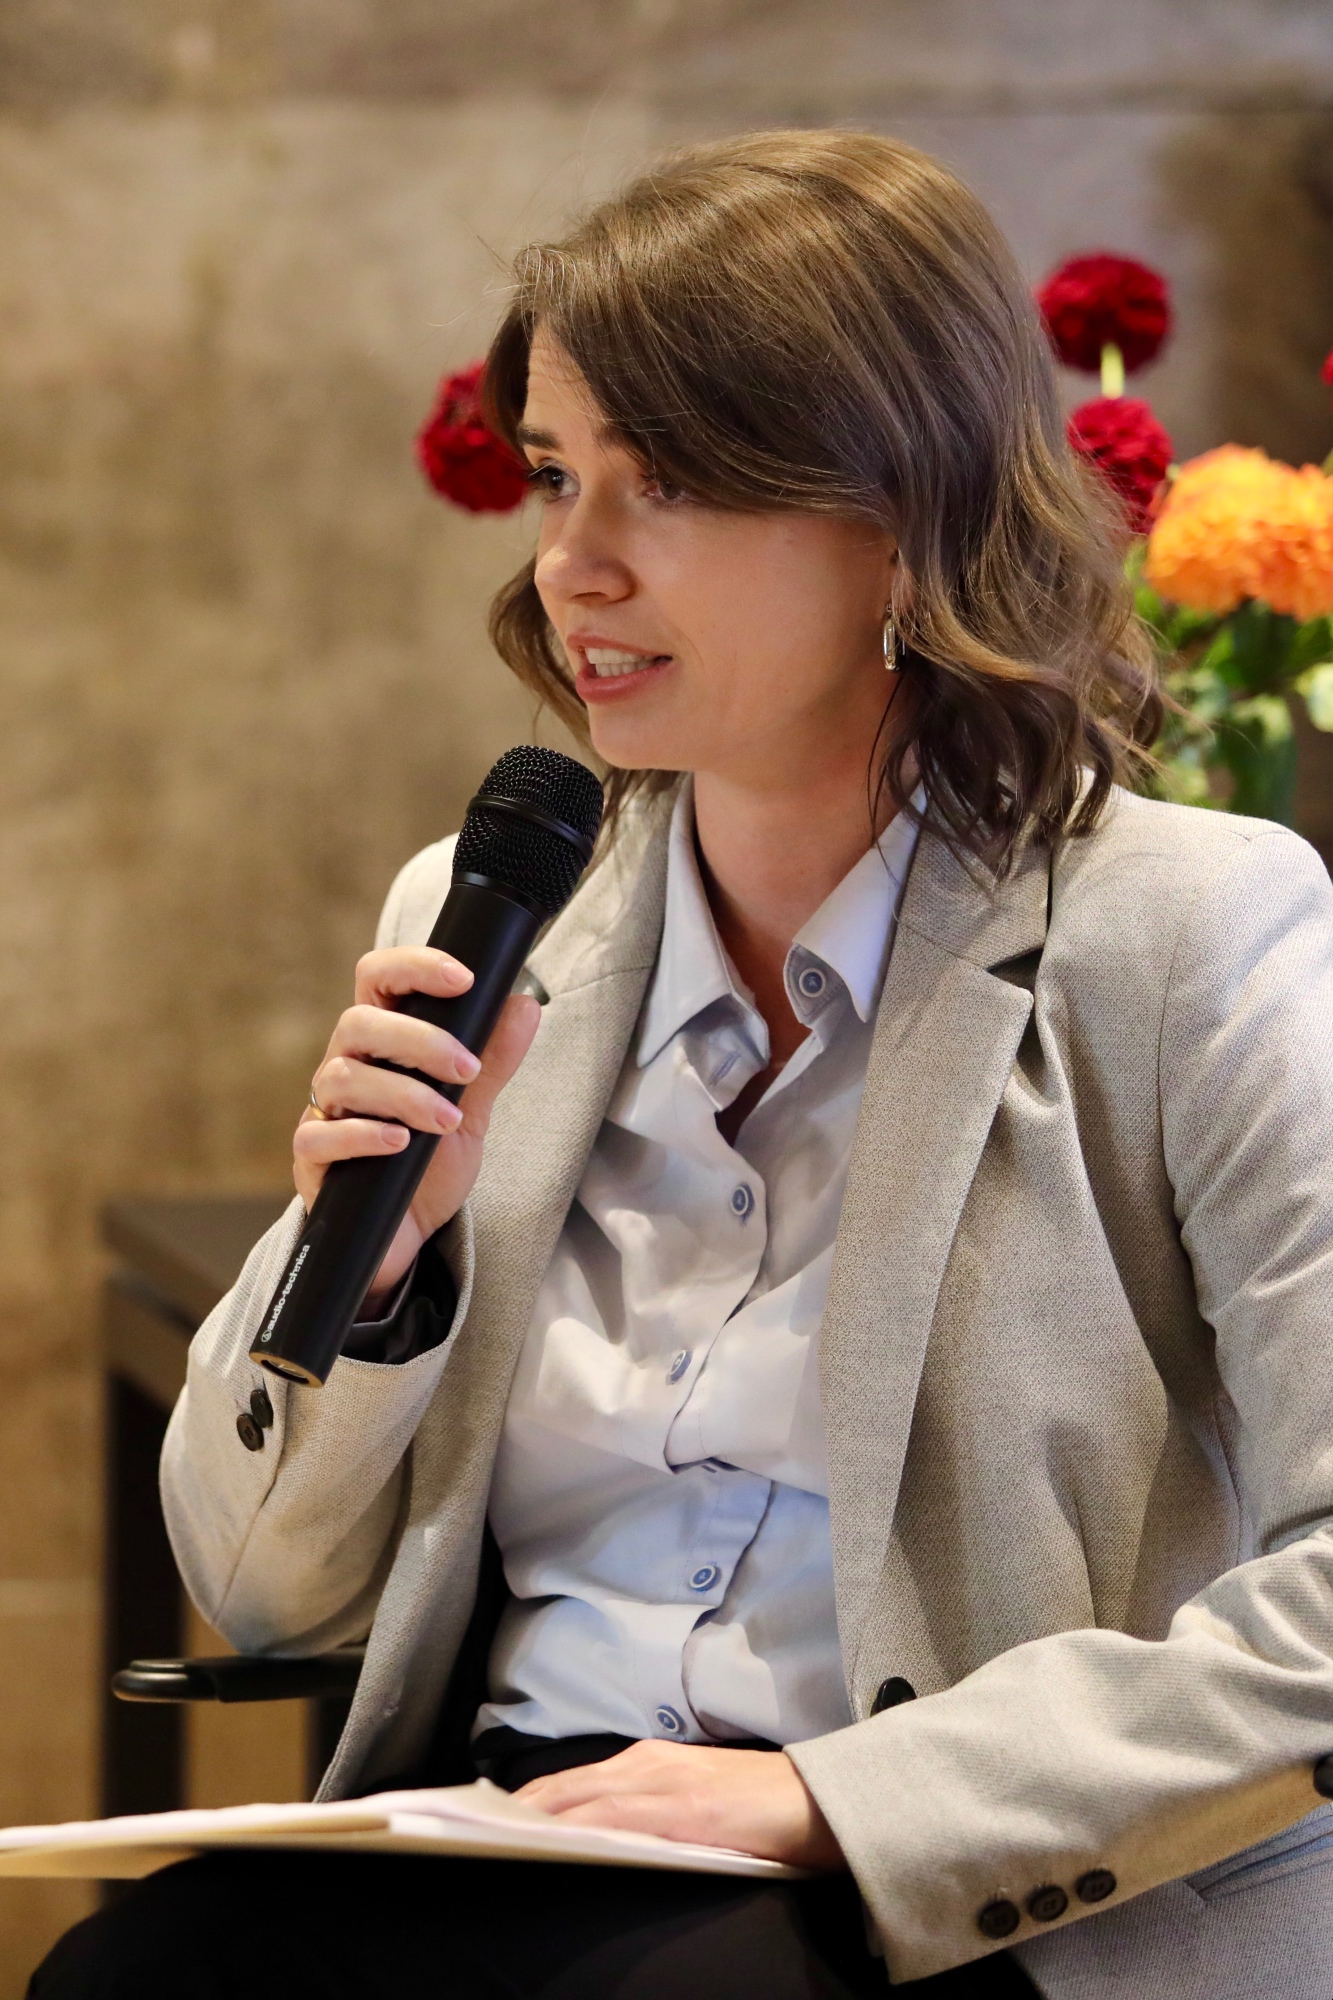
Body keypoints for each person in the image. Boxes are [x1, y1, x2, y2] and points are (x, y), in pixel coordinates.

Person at [32, 130, 1333, 1999]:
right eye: (557, 476)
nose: (574, 565)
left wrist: (828, 1798)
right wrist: (375, 1269)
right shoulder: (503, 924)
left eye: (671, 485)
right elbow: (260, 1591)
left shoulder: (1188, 934)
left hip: (941, 1874)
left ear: (901, 516)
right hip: (513, 1830)